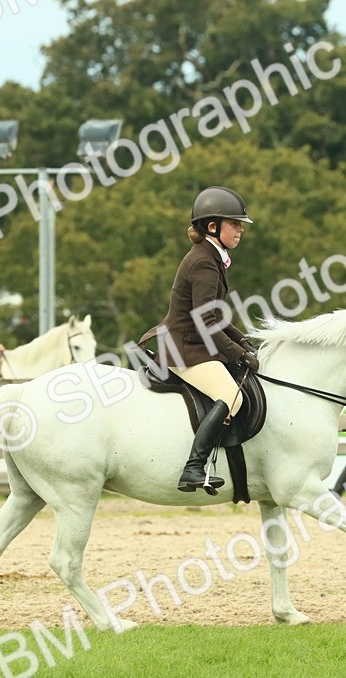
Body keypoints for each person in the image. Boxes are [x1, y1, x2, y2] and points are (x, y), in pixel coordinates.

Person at [138, 186, 260, 493]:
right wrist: (236, 354)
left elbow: (215, 316)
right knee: (233, 397)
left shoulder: (210, 256)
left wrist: (242, 342)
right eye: (235, 223)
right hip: (184, 350)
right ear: (212, 226)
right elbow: (206, 322)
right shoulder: (204, 261)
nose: (241, 229)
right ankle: (193, 469)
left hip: (193, 344)